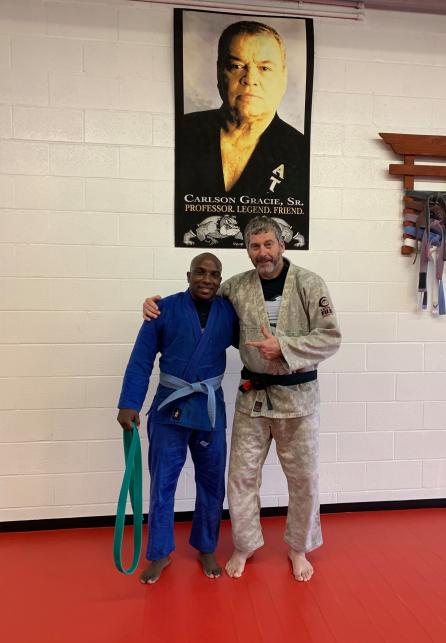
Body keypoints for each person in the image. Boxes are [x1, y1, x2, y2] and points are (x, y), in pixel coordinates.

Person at [143, 217, 341, 582]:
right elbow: (199, 300)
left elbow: (331, 337)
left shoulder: (310, 284)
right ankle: (245, 544)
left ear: (282, 245)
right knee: (240, 477)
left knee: (304, 478)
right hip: (254, 399)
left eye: (268, 244)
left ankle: (298, 548)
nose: (262, 253)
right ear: (248, 250)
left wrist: (284, 346)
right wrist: (158, 307)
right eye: (255, 246)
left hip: (299, 398)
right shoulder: (235, 287)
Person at [118, 253, 238, 583]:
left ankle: (206, 546)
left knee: (212, 483)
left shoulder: (229, 313)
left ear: (220, 280)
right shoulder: (163, 309)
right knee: (162, 483)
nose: (207, 279)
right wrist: (129, 403)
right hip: (169, 409)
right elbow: (141, 359)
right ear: (188, 275)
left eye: (214, 274)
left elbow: (253, 343)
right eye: (200, 272)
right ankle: (159, 553)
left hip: (209, 409)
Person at [177, 21, 308, 244]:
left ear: (283, 77)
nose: (250, 79)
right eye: (237, 66)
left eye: (264, 68)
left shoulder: (300, 151)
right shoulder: (184, 131)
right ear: (219, 72)